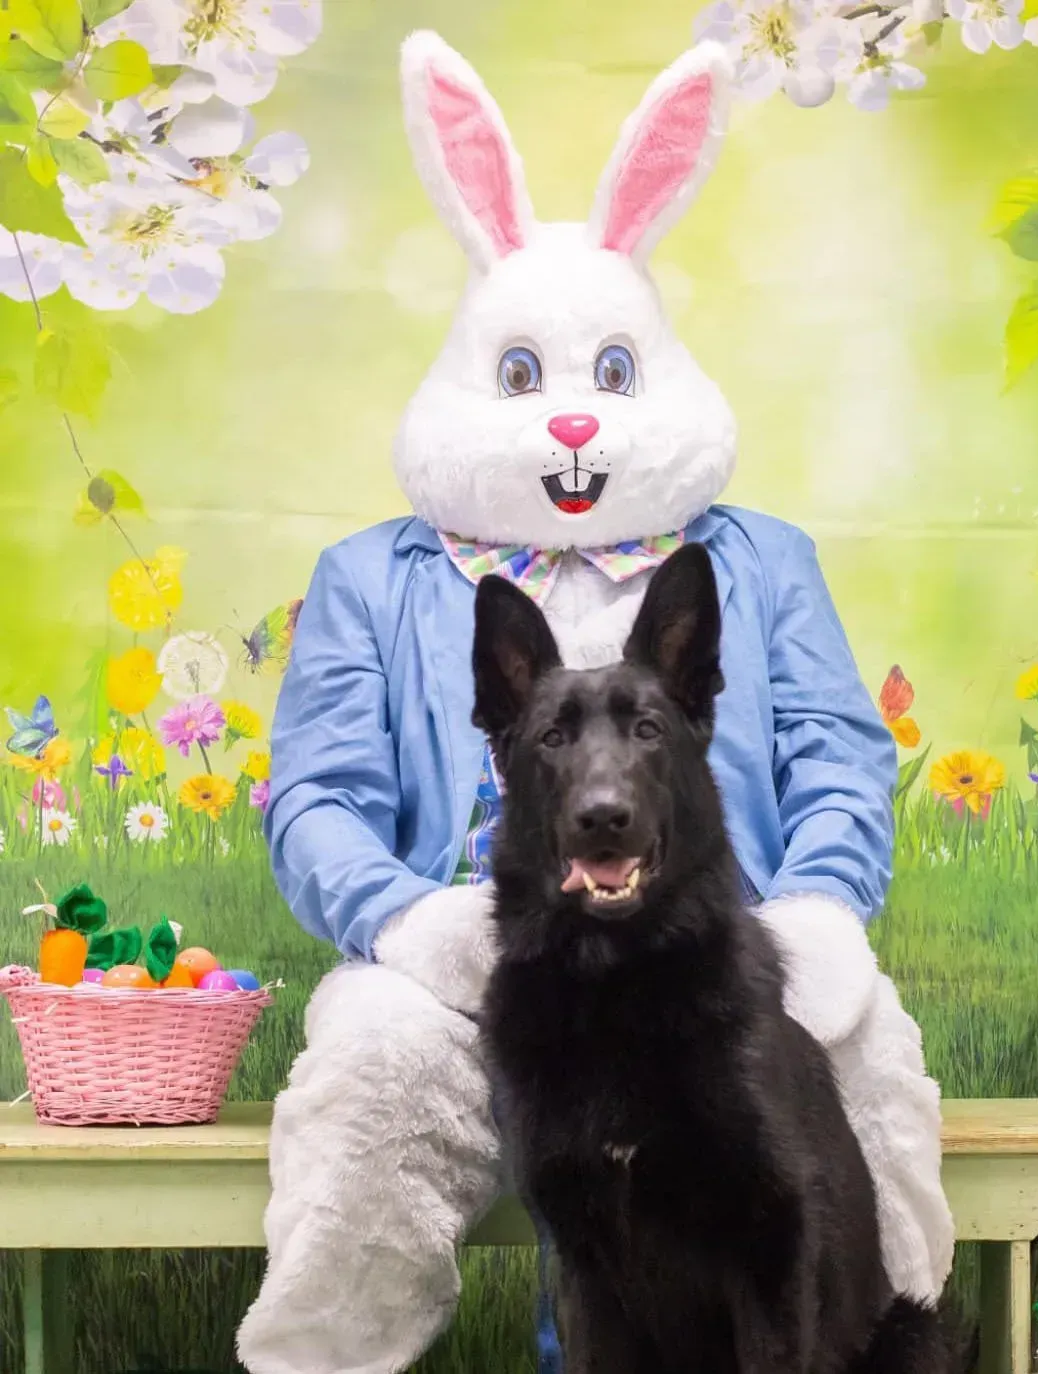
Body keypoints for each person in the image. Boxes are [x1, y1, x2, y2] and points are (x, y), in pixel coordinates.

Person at [236, 30, 955, 1374]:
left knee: (866, 1049)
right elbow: (318, 799)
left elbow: (842, 756)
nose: (569, 417)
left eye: (605, 374)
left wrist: (818, 917)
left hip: (719, 968)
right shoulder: (364, 581)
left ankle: (887, 1339)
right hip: (472, 980)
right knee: (362, 1082)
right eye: (526, 376)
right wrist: (409, 924)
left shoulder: (762, 563)